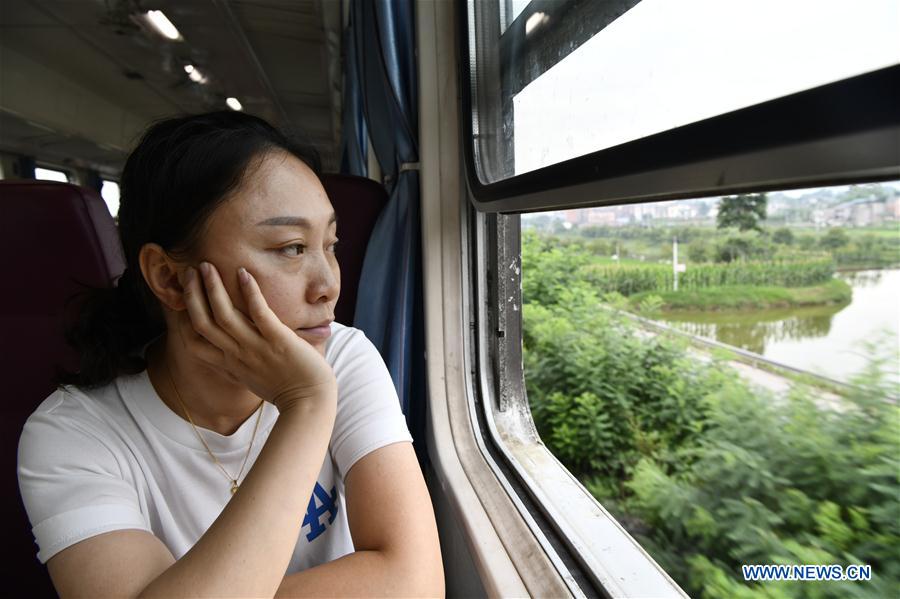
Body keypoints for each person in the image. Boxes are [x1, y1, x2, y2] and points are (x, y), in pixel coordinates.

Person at [16, 111, 444, 597]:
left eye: (330, 244)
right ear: (169, 276)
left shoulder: (343, 356)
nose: (329, 286)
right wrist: (306, 404)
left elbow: (416, 582)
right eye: (291, 248)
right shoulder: (74, 435)